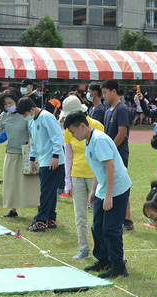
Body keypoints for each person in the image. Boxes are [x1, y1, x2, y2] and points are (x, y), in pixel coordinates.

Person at [64, 110, 132, 279]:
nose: (72, 136)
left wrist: (108, 196)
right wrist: (94, 190)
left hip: (117, 188)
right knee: (97, 227)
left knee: (110, 228)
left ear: (82, 126)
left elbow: (110, 167)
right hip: (104, 187)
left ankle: (118, 265)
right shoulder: (88, 140)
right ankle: (104, 260)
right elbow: (98, 168)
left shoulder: (99, 140)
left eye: (73, 132)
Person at [0, 89, 40, 218]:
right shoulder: (4, 116)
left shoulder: (26, 115)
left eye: (10, 103)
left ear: (17, 101)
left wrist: (33, 154)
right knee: (11, 184)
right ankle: (13, 210)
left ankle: (40, 209)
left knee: (31, 183)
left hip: (26, 154)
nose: (8, 106)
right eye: (5, 104)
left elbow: (32, 134)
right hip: (11, 153)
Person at [60, 96, 101, 260]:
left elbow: (103, 154)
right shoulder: (68, 130)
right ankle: (84, 248)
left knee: (98, 215)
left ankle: (101, 250)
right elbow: (68, 156)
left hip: (95, 176)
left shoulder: (97, 125)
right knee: (80, 215)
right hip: (77, 175)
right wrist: (67, 182)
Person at [17, 96, 65, 232]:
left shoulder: (46, 117)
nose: (25, 117)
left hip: (53, 160)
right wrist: (32, 159)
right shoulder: (32, 120)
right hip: (44, 159)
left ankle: (41, 220)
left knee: (46, 190)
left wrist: (56, 156)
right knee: (49, 190)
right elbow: (34, 141)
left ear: (32, 109)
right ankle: (50, 218)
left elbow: (57, 136)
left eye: (25, 114)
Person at [101, 79, 133, 231]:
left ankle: (127, 220)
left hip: (119, 153)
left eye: (105, 92)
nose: (104, 96)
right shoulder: (108, 110)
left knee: (122, 184)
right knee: (112, 183)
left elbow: (122, 133)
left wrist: (110, 150)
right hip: (110, 153)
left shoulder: (122, 109)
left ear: (114, 91)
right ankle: (120, 215)